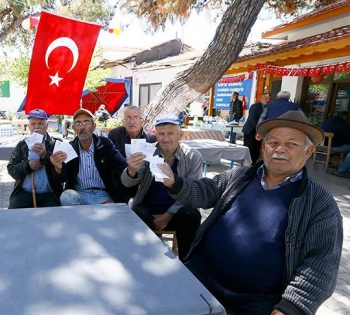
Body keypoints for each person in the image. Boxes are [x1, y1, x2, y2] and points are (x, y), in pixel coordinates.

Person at [158, 110, 342, 314]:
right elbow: (205, 192)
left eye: (291, 144)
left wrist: (291, 307)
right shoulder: (241, 176)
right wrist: (175, 183)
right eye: (273, 142)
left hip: (256, 300)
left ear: (308, 152)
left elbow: (321, 264)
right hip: (203, 275)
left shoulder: (319, 203)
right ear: (264, 147)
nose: (279, 149)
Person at [121, 114, 203, 261]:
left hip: (176, 211)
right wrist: (131, 170)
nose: (166, 138)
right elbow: (127, 183)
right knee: (136, 213)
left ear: (180, 134)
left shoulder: (192, 156)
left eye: (170, 133)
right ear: (156, 135)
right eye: (161, 134)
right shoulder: (147, 152)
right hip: (148, 208)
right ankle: (140, 257)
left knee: (191, 214)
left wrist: (168, 214)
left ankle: (185, 259)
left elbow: (194, 192)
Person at [54, 109, 128, 205]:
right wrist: (58, 169)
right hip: (79, 193)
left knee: (108, 214)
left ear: (94, 126)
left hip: (102, 194)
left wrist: (116, 199)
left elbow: (122, 168)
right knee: (66, 196)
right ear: (73, 128)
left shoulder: (104, 144)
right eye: (78, 123)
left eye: (86, 122)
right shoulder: (70, 148)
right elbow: (63, 179)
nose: (82, 127)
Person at [7, 109, 63, 208]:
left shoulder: (56, 144)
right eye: (33, 124)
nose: (37, 127)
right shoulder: (22, 145)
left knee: (54, 217)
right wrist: (27, 165)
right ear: (29, 127)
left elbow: (63, 174)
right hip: (24, 193)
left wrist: (45, 156)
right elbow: (11, 170)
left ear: (47, 126)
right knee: (14, 216)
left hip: (50, 193)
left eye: (40, 123)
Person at [108, 105, 156, 203]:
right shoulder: (114, 134)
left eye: (135, 118)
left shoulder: (151, 138)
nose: (132, 122)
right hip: (119, 178)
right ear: (124, 121)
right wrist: (128, 165)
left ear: (142, 120)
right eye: (128, 118)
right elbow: (110, 159)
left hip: (141, 180)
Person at [242, 93, 271, 164]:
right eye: (266, 98)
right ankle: (245, 165)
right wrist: (259, 128)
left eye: (269, 99)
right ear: (262, 98)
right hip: (250, 130)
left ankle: (253, 164)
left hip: (259, 132)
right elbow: (252, 119)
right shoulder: (255, 106)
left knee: (256, 149)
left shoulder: (268, 108)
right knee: (249, 148)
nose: (268, 100)